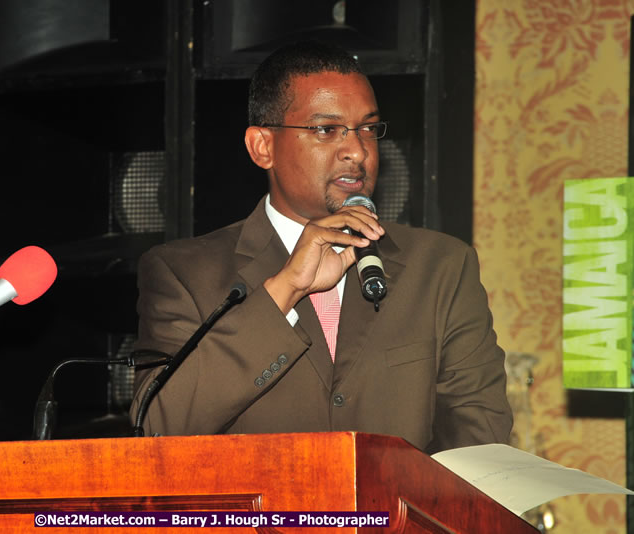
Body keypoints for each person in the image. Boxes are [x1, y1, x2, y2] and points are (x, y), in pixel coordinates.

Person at [130, 41, 512, 454]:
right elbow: (156, 429)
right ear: (263, 147)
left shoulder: (440, 266)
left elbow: (479, 440)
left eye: (368, 128)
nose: (357, 151)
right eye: (327, 130)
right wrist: (286, 288)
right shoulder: (182, 273)